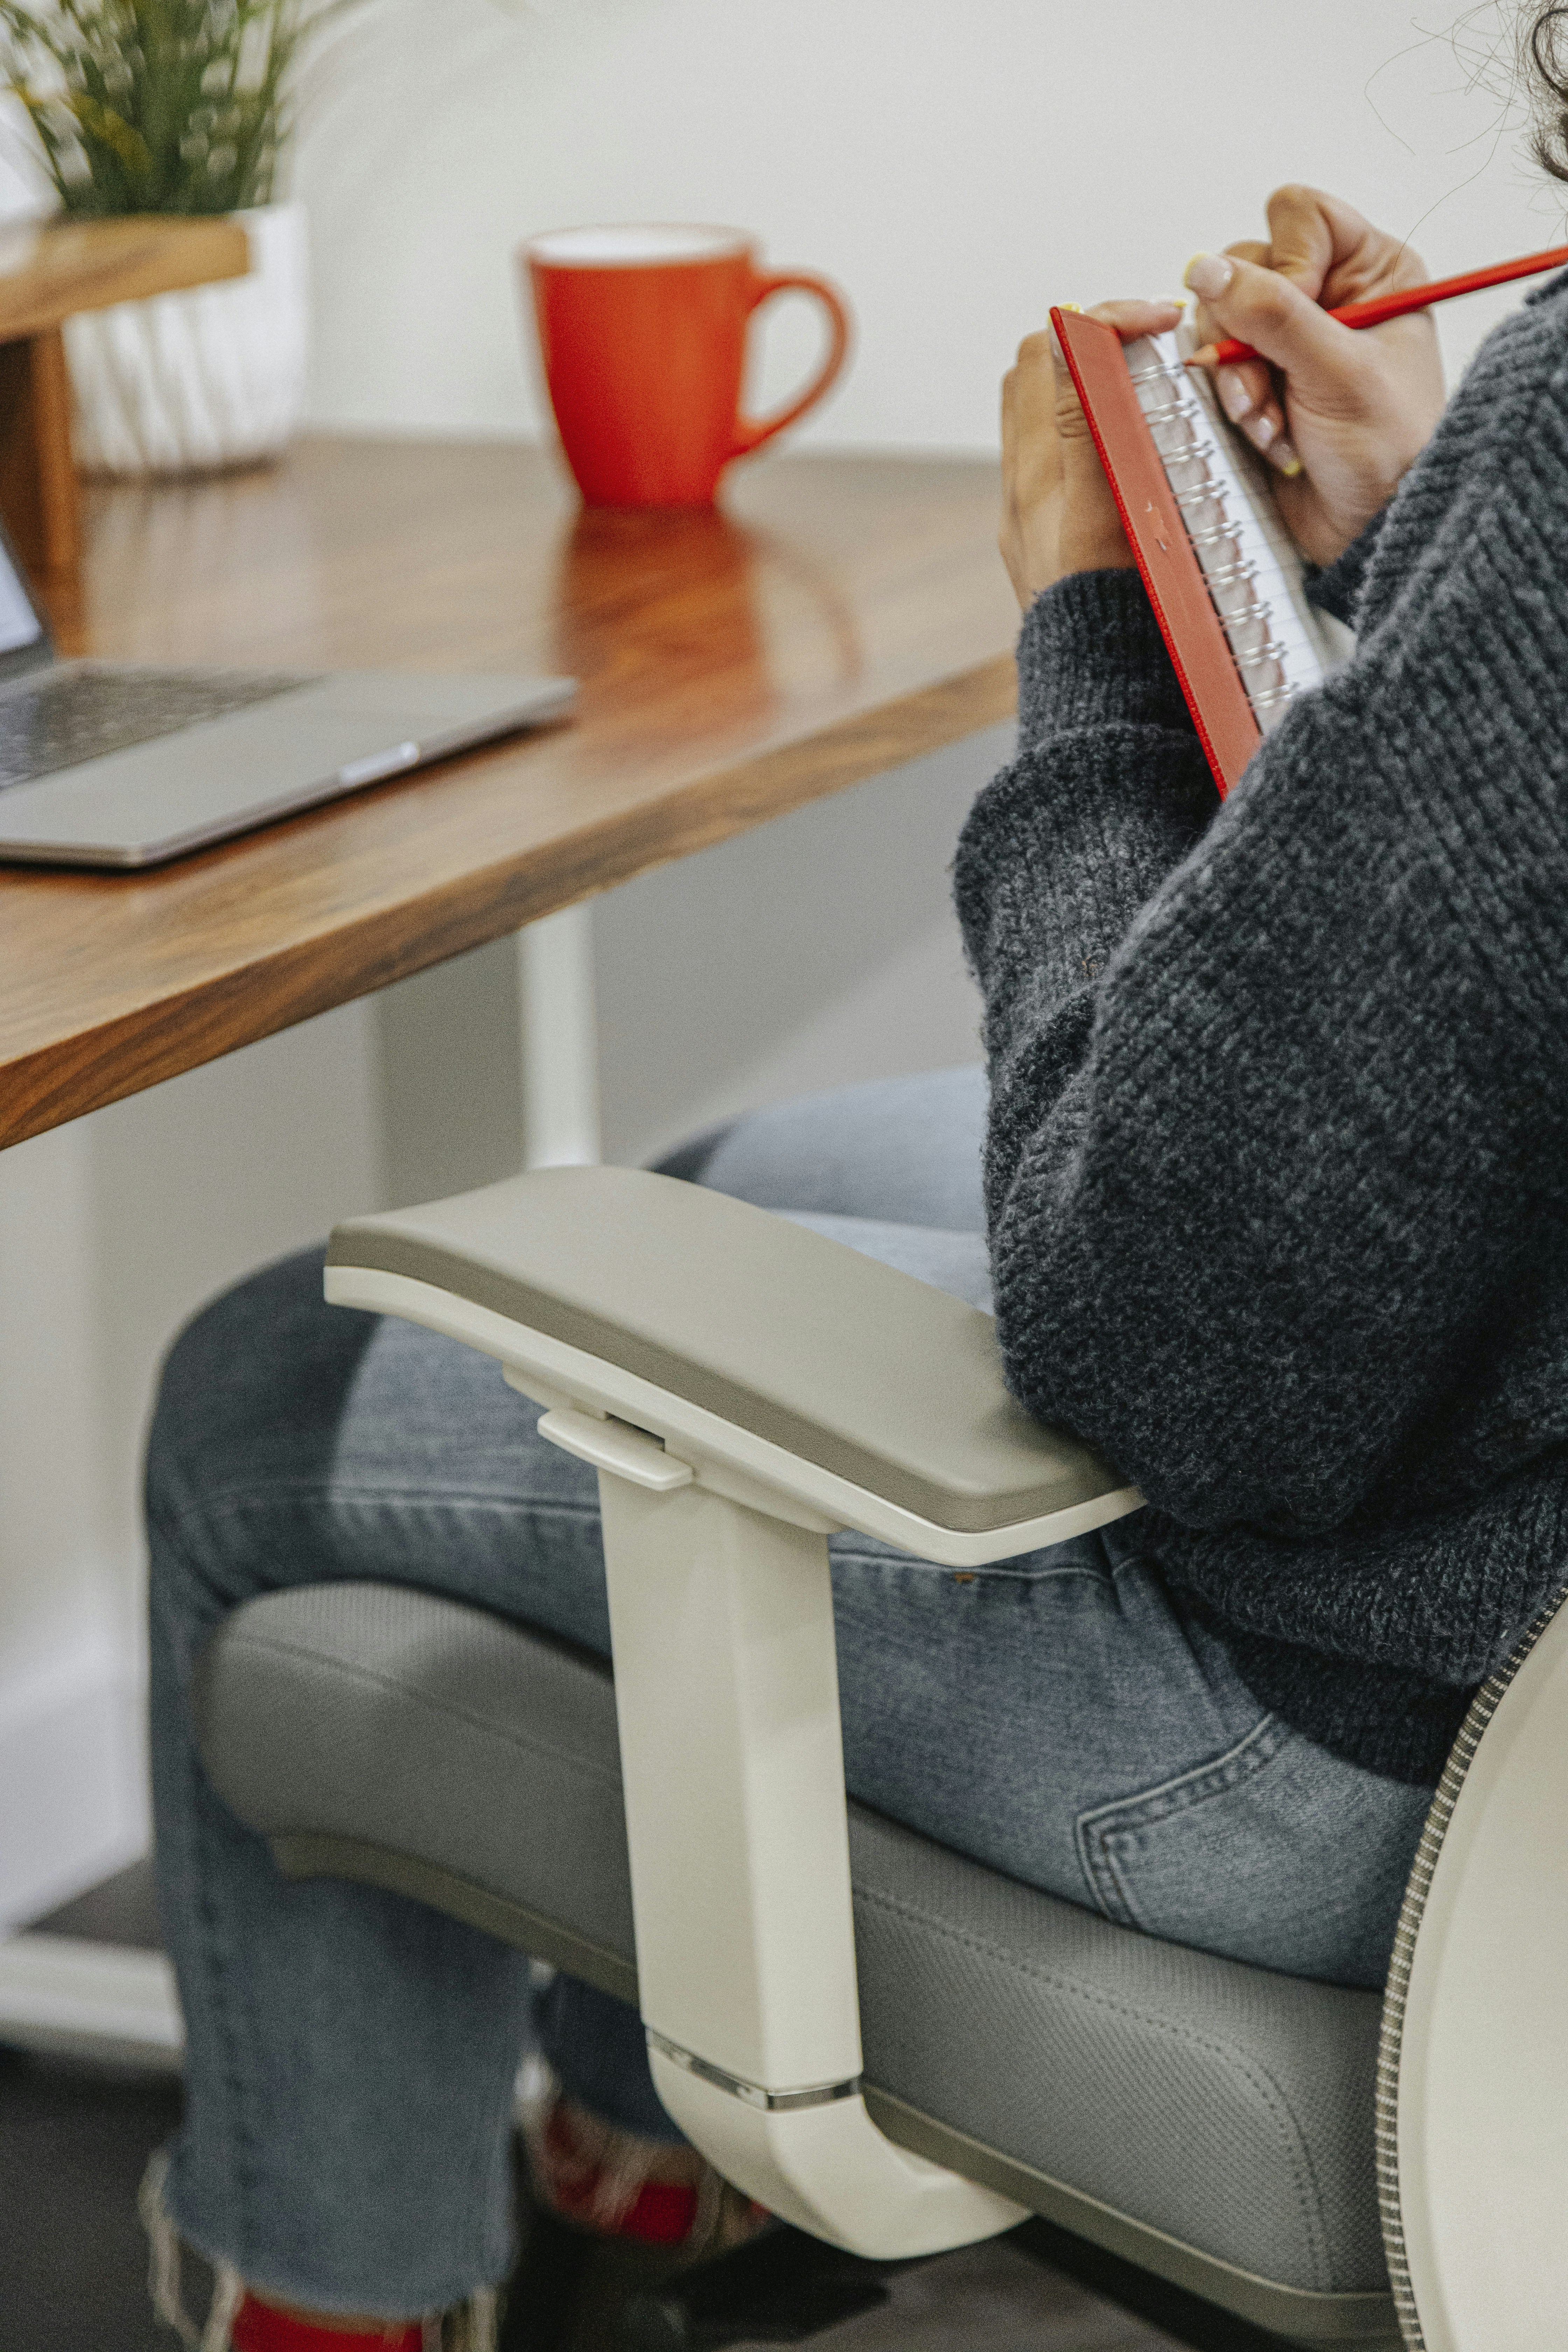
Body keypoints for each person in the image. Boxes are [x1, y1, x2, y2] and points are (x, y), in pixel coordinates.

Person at [142, 28, 1568, 2348]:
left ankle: (347, 2293)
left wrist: (1091, 634)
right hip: (1503, 1514)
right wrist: (1435, 542)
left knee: (258, 1391)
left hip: (1377, 1733)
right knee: (742, 1185)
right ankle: (647, 2175)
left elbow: (1159, 1334)